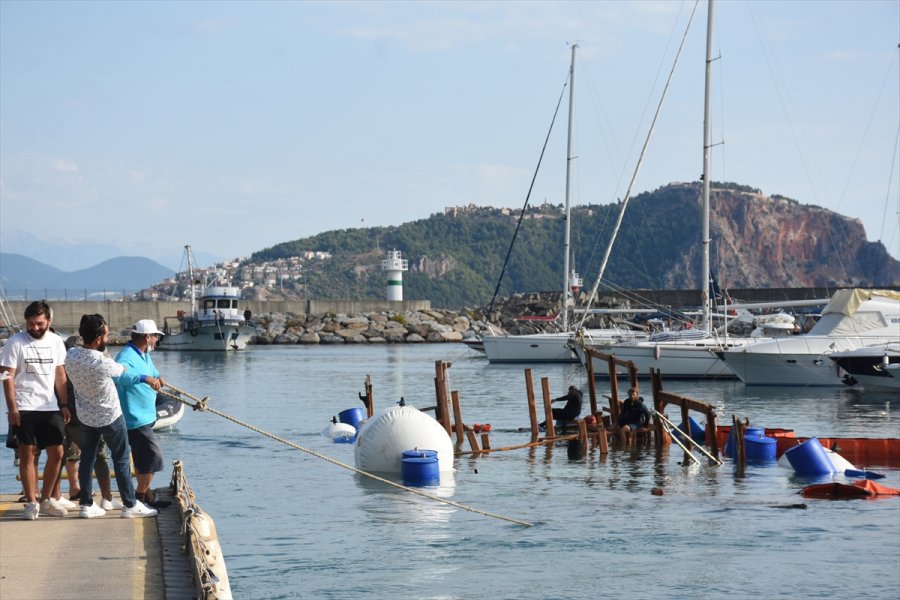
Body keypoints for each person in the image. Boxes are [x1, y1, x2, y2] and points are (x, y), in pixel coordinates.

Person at [65, 314, 157, 519]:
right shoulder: (102, 362)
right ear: (98, 339)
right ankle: (130, 504)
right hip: (110, 416)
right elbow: (121, 370)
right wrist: (145, 377)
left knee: (87, 460)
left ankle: (86, 505)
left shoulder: (71, 355)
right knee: (121, 459)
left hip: (86, 417)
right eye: (106, 335)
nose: (108, 338)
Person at [1, 301, 71, 520]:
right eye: (30, 324)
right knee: (27, 455)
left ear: (49, 321)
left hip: (50, 406)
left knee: (57, 453)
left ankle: (47, 499)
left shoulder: (57, 341)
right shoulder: (15, 342)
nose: (34, 328)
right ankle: (32, 502)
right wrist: (12, 408)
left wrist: (64, 403)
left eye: (39, 323)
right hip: (25, 407)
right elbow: (6, 376)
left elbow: (60, 375)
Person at [62, 334, 123, 511]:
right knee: (97, 456)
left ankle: (53, 496)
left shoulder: (65, 364)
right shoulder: (90, 364)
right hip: (83, 418)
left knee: (60, 456)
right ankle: (105, 498)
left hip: (64, 415)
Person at [115, 319, 171, 509]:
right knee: (154, 457)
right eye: (155, 336)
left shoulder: (144, 354)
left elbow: (152, 371)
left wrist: (158, 377)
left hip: (145, 416)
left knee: (142, 458)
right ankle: (139, 496)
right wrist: (144, 378)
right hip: (134, 418)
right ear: (147, 337)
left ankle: (146, 495)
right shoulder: (127, 356)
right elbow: (119, 376)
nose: (157, 340)